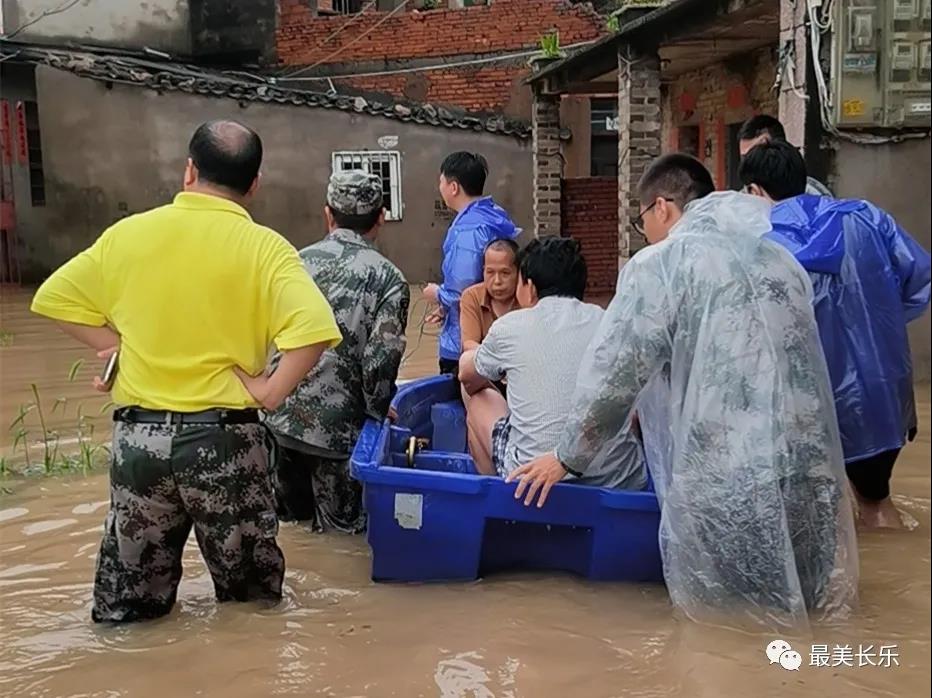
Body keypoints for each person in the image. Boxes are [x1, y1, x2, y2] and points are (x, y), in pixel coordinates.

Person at [509, 154, 858, 627]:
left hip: (732, 483)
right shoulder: (779, 260)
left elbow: (616, 373)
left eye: (641, 219)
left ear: (662, 207)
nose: (644, 231)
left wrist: (568, 456)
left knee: (725, 635)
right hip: (811, 477)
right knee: (813, 625)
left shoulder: (661, 265)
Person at [29, 120, 342, 623]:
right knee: (253, 608)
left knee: (128, 610)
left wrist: (117, 349)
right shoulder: (265, 248)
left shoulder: (128, 235)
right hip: (224, 443)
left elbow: (54, 299)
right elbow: (314, 330)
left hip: (140, 442)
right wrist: (270, 392)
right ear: (254, 183)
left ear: (189, 169)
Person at [739, 139, 932, 529]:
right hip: (885, 392)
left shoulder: (761, 243)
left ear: (755, 191)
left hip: (815, 405)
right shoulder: (866, 217)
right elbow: (920, 277)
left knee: (825, 522)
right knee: (876, 503)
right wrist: (883, 324)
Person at [264, 171, 410, 533]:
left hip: (278, 419)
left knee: (289, 528)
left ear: (328, 214)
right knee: (339, 536)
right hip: (337, 434)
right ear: (380, 219)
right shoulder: (388, 279)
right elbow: (380, 360)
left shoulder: (294, 262)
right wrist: (378, 410)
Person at [458, 237, 645, 490]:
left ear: (530, 287)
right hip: (617, 478)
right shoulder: (610, 322)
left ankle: (498, 497)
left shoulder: (510, 327)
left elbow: (467, 375)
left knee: (479, 400)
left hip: (529, 475)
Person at [422, 152, 519, 374]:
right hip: (500, 331)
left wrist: (437, 294)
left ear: (453, 187)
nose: (440, 187)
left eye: (441, 181)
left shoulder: (468, 230)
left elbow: (462, 292)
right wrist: (445, 308)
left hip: (465, 342)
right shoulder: (495, 217)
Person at [737, 115, 833, 196]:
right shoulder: (740, 202)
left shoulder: (814, 196)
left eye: (754, 154)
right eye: (744, 157)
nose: (748, 163)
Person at [459, 238, 520, 352]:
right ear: (483, 271)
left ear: (518, 273)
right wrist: (496, 359)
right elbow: (469, 344)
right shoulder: (471, 296)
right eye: (490, 272)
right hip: (485, 364)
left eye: (505, 273)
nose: (497, 281)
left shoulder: (528, 296)